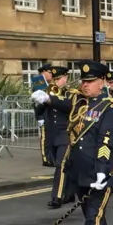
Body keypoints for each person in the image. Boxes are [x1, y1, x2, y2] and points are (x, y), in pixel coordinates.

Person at [32, 60, 113, 225]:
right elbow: (64, 103)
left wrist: (102, 171)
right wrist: (47, 99)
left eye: (90, 81)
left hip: (98, 172)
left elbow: (106, 141)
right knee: (94, 215)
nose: (85, 85)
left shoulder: (109, 108)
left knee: (93, 217)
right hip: (78, 170)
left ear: (102, 82)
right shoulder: (80, 102)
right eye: (83, 81)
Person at [33, 65, 76, 209]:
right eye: (55, 79)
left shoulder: (72, 93)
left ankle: (56, 197)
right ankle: (70, 194)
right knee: (67, 165)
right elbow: (40, 110)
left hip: (66, 133)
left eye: (59, 79)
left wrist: (50, 99)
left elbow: (68, 106)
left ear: (66, 78)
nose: (57, 82)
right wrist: (40, 101)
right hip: (52, 134)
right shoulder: (48, 92)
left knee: (61, 165)